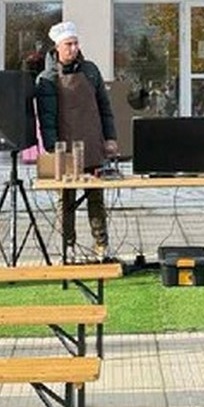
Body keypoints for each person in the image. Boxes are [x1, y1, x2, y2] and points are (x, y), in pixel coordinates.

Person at [35, 20, 119, 261]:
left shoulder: (91, 70)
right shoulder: (47, 78)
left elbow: (104, 106)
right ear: (57, 47)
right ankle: (67, 247)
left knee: (96, 198)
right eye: (68, 44)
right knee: (66, 201)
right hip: (65, 148)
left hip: (92, 143)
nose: (73, 48)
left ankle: (101, 246)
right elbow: (47, 118)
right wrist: (53, 149)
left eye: (75, 43)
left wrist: (110, 137)